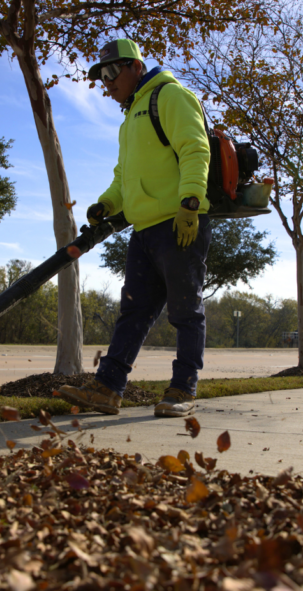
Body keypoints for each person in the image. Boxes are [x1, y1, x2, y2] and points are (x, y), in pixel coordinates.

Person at [56, 38, 211, 418]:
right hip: (143, 230)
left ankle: (182, 389)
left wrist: (191, 203)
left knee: (186, 311)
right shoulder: (130, 119)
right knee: (134, 312)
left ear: (136, 68)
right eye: (102, 78)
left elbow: (195, 148)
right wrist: (106, 204)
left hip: (179, 224)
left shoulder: (170, 97)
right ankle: (108, 389)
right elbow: (123, 177)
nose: (107, 84)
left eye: (112, 73)